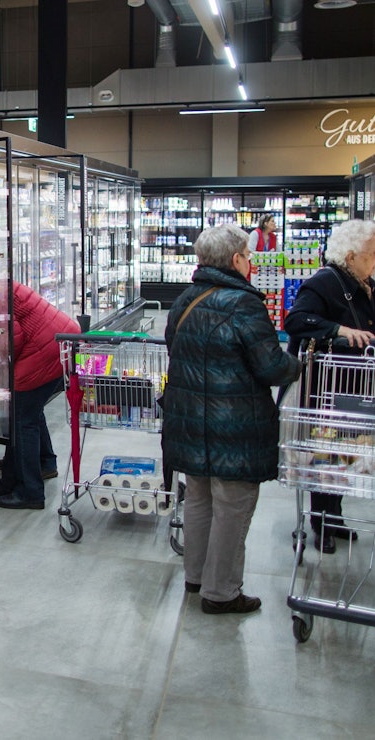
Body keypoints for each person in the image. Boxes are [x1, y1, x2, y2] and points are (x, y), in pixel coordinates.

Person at [162, 224, 300, 615]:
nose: (252, 261)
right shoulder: (244, 304)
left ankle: (196, 576)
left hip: (190, 419)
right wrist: (298, 364)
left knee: (199, 497)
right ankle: (221, 592)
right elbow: (272, 367)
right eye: (249, 255)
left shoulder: (185, 298)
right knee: (233, 504)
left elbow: (177, 349)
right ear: (237, 259)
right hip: (234, 425)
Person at [283, 218, 375, 553]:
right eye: (371, 254)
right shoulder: (324, 282)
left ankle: (334, 517)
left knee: (344, 454)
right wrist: (339, 331)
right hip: (324, 389)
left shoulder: (364, 284)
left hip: (352, 388)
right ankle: (320, 522)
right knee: (324, 455)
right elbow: (295, 321)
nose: (374, 260)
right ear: (351, 257)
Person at [0, 282, 79, 510]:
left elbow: (11, 340)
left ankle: (30, 492)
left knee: (22, 420)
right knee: (28, 412)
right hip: (58, 340)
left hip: (45, 350)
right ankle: (28, 471)